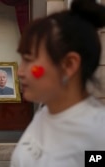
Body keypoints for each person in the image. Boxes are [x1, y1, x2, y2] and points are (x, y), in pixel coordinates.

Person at [10, 0, 105, 167]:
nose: (20, 72)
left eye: (29, 60)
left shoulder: (98, 134)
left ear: (69, 65)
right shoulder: (43, 114)